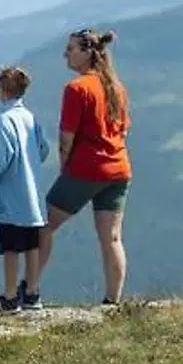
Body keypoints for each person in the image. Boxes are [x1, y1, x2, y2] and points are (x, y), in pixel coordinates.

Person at [25, 28, 132, 308]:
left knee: (43, 226)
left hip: (86, 168)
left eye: (71, 49)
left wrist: (65, 167)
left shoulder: (77, 88)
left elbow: (66, 137)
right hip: (119, 169)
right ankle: (112, 301)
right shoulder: (117, 88)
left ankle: (31, 290)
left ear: (87, 53)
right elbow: (123, 129)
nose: (66, 54)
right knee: (112, 238)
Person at [0, 66, 50, 315]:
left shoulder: (4, 121)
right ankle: (32, 292)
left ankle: (9, 296)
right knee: (32, 245)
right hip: (32, 196)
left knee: (10, 247)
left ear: (2, 90)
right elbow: (44, 149)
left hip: (11, 195)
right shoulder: (30, 118)